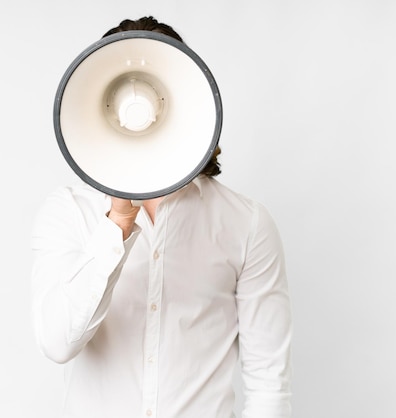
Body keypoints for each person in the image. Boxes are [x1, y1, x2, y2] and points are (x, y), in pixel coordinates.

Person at [31, 16, 292, 418]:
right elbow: (57, 342)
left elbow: (268, 380)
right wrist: (116, 225)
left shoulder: (247, 224)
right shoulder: (69, 211)